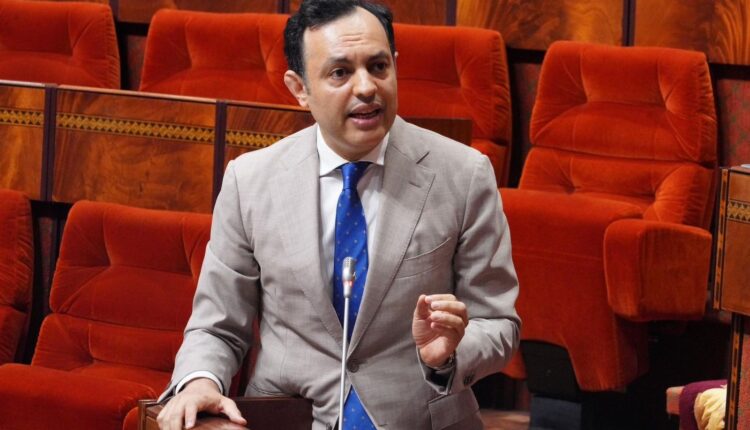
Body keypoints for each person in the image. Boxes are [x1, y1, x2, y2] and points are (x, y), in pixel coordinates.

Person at [157, 1, 520, 429]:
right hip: (291, 418)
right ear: (299, 88)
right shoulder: (250, 181)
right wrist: (199, 382)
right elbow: (216, 326)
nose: (366, 87)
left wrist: (448, 355)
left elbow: (498, 322)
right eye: (340, 73)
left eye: (378, 67)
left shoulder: (463, 174)